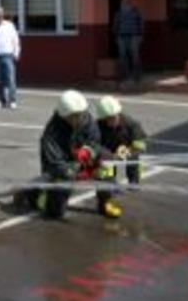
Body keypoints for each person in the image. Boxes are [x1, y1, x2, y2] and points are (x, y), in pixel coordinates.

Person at [32, 90, 121, 219]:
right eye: (74, 116)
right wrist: (77, 170)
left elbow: (95, 142)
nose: (78, 119)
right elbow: (55, 166)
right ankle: (35, 193)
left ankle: (106, 202)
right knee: (55, 213)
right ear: (64, 115)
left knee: (106, 163)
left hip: (82, 162)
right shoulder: (51, 134)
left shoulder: (86, 120)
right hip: (63, 170)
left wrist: (89, 151)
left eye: (80, 114)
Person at [93, 96, 147, 186]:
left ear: (118, 114)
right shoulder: (97, 126)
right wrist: (108, 155)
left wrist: (126, 152)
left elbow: (140, 146)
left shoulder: (132, 124)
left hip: (127, 148)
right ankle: (109, 183)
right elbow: (94, 145)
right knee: (104, 164)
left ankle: (133, 181)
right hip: (108, 150)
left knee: (134, 160)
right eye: (107, 119)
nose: (110, 121)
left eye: (113, 118)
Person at [112, 0, 144, 83]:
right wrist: (116, 35)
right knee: (123, 56)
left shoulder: (135, 12)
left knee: (134, 56)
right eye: (123, 3)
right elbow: (115, 25)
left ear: (129, 4)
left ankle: (136, 76)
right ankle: (124, 76)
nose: (124, 5)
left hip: (133, 36)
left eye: (126, 3)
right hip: (122, 36)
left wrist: (140, 35)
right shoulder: (119, 13)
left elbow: (141, 23)